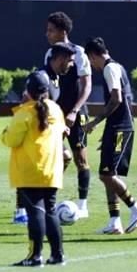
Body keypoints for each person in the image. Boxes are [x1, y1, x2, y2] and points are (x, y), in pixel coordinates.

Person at [83, 37, 137, 235]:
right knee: (107, 175)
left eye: (90, 60)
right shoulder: (116, 67)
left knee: (107, 175)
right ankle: (114, 221)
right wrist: (107, 130)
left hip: (121, 128)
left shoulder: (110, 69)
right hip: (115, 127)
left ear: (93, 56)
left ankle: (136, 208)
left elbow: (117, 99)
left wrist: (95, 122)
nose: (91, 65)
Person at [2, 70, 66, 267]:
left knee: (36, 212)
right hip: (52, 169)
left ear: (27, 90)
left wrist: (5, 131)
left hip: (30, 170)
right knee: (50, 210)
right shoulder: (55, 109)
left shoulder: (24, 113)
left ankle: (35, 255)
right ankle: (57, 254)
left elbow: (11, 139)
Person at [45, 12, 93, 217]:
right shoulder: (49, 54)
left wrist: (74, 111)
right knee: (57, 157)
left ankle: (82, 206)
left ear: (62, 32)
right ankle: (48, 199)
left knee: (80, 159)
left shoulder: (79, 53)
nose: (47, 34)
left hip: (77, 114)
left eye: (51, 30)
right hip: (56, 115)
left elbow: (87, 85)